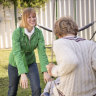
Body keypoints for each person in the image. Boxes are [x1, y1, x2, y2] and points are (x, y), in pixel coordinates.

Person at [46, 17, 96, 96]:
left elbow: (70, 61)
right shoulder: (90, 43)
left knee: (48, 89)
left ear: (57, 32)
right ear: (74, 28)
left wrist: (53, 70)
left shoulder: (60, 43)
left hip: (69, 93)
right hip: (91, 92)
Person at [8, 8, 51, 96]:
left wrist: (45, 71)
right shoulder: (17, 33)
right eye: (29, 17)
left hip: (30, 62)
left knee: (37, 89)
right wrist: (22, 73)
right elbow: (17, 53)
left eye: (34, 17)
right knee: (12, 89)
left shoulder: (38, 33)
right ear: (24, 19)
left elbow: (42, 52)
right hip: (15, 64)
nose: (32, 19)